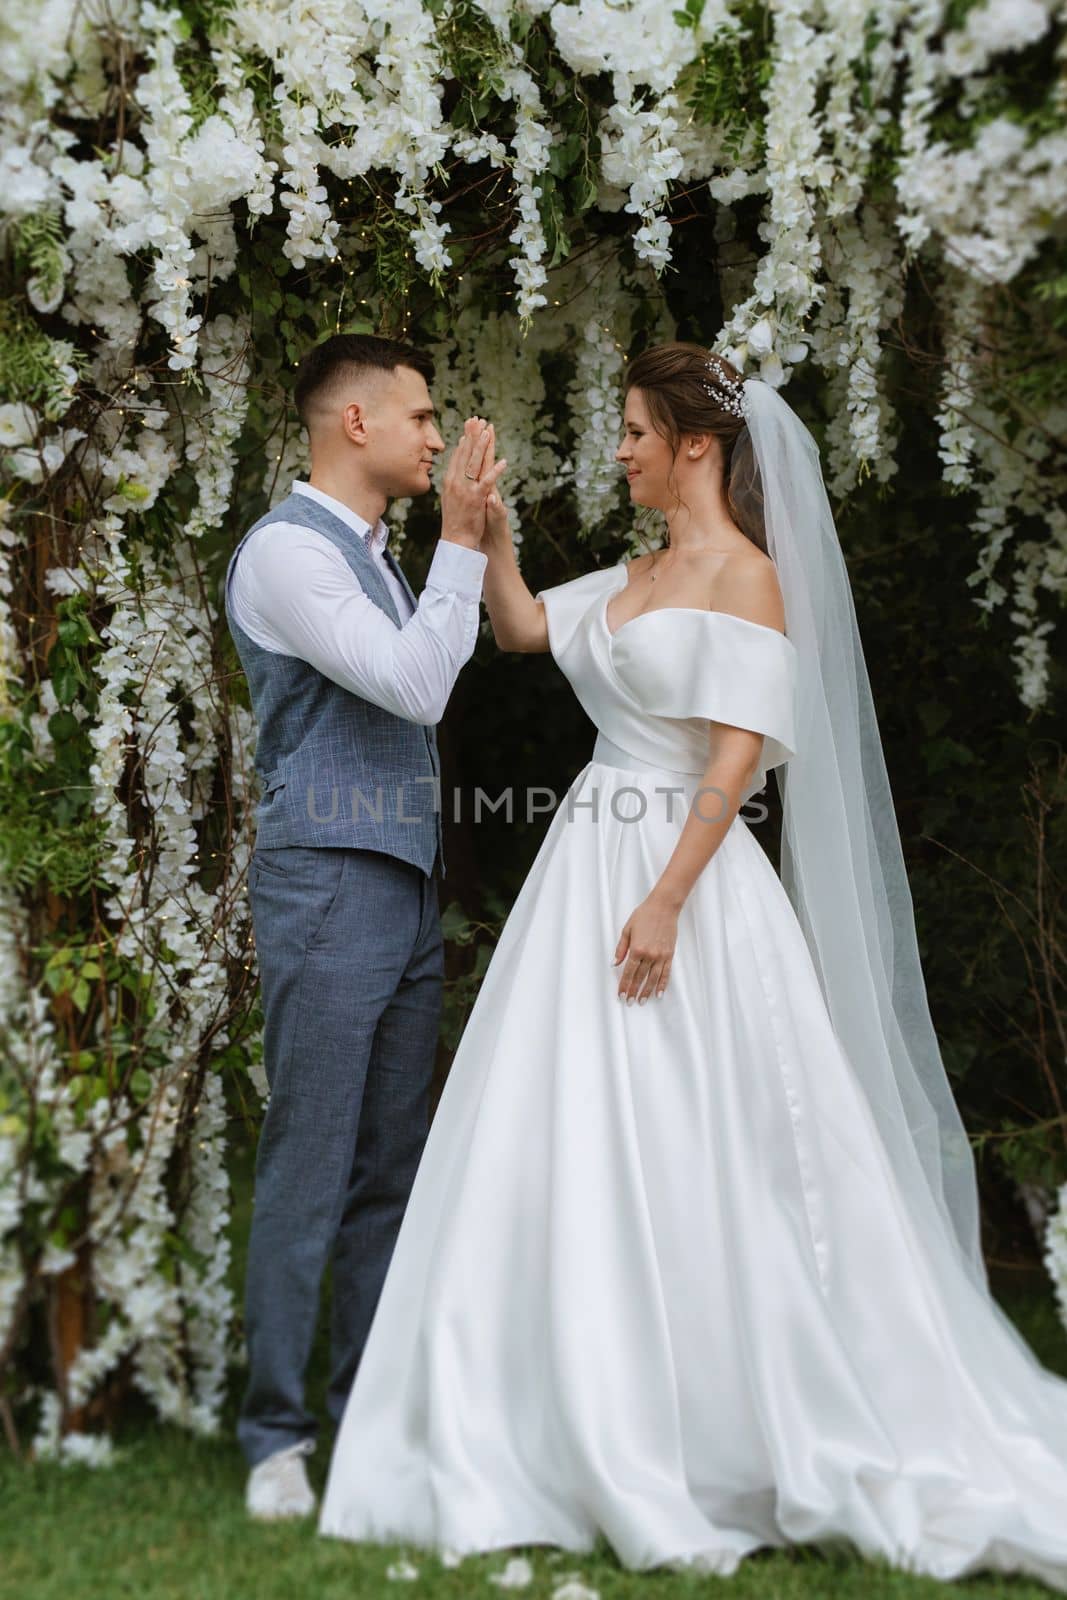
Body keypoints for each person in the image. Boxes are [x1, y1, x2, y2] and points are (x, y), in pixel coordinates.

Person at [317, 342, 1067, 1590]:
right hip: (584, 872)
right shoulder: (639, 570)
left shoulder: (747, 580)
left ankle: (734, 1413)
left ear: (696, 447)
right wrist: (486, 535)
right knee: (567, 1129)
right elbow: (516, 631)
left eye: (631, 431)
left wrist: (667, 897)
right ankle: (565, 1408)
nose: (616, 449)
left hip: (685, 882)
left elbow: (732, 759)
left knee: (711, 1132)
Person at [224, 333, 504, 1518]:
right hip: (327, 879)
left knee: (391, 1167)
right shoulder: (292, 555)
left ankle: (370, 1420)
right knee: (313, 1156)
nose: (436, 436)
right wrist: (457, 544)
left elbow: (435, 657)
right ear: (355, 423)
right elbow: (414, 685)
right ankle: (274, 1437)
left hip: (398, 883)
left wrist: (461, 551)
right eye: (423, 416)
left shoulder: (377, 559)